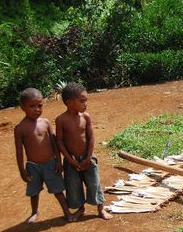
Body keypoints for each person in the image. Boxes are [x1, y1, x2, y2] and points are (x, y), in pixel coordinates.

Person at [14, 88, 74, 223]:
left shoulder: (45, 123)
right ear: (23, 107)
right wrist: (22, 170)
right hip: (33, 166)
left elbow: (54, 143)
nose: (37, 109)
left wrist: (58, 160)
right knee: (34, 192)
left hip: (50, 163)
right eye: (32, 106)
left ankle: (67, 212)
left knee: (58, 190)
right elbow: (19, 151)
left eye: (39, 105)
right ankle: (34, 212)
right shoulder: (20, 128)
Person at [55, 82, 113, 220]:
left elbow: (91, 137)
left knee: (94, 183)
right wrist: (69, 160)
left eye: (86, 100)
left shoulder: (85, 117)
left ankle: (101, 209)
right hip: (71, 160)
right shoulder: (61, 120)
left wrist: (88, 157)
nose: (86, 103)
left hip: (88, 157)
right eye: (82, 101)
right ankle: (81, 209)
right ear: (69, 102)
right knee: (74, 185)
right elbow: (60, 141)